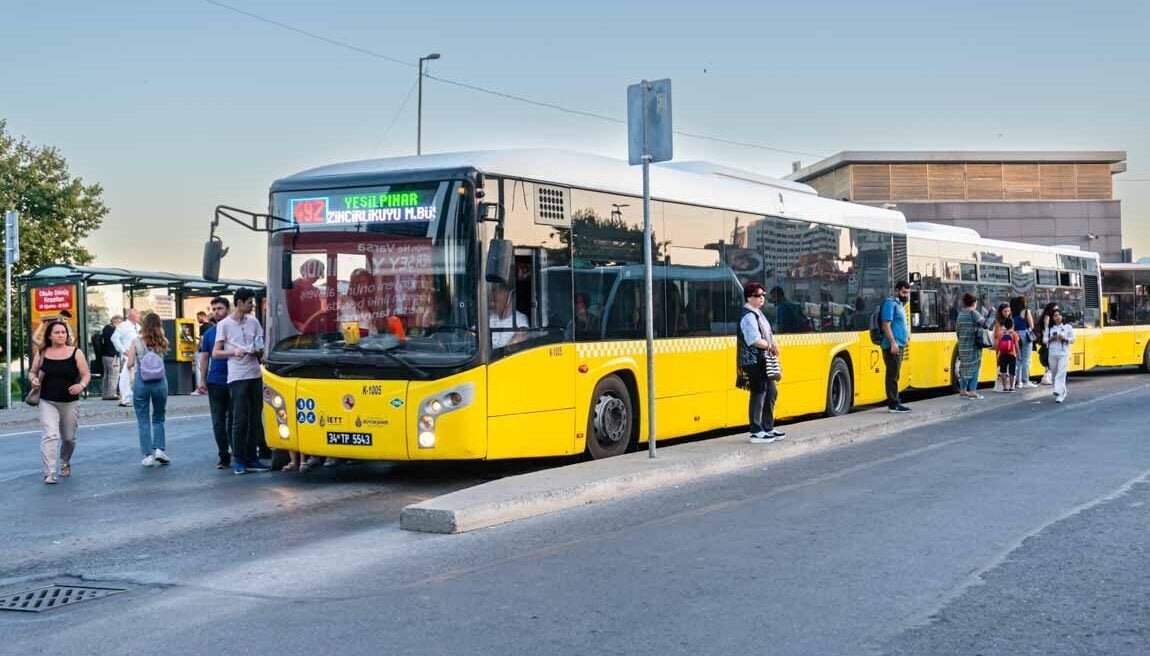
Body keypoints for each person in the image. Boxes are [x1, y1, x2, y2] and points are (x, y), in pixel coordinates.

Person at [213, 288, 271, 475]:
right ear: (239, 303)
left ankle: (252, 457)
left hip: (255, 373)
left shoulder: (254, 322)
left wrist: (258, 351)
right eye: (249, 302)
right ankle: (239, 459)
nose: (252, 306)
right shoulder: (225, 325)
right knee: (239, 418)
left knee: (255, 417)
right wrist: (233, 352)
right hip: (237, 376)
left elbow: (261, 344)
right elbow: (216, 353)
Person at [28, 320, 91, 485]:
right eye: (57, 332)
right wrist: (34, 380)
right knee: (50, 435)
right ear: (49, 335)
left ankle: (65, 461)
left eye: (63, 332)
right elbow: (33, 372)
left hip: (70, 402)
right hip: (47, 401)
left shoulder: (76, 352)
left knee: (69, 438)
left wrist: (81, 385)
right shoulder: (42, 352)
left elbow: (86, 374)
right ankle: (49, 472)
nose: (61, 335)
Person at [738, 282, 786, 443]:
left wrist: (772, 344)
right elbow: (753, 340)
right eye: (758, 296)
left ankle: (768, 427)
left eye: (763, 295)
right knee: (758, 392)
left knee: (771, 392)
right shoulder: (748, 315)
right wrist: (770, 346)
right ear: (749, 297)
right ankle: (756, 431)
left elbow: (767, 334)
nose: (762, 298)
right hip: (753, 360)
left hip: (762, 359)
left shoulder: (757, 313)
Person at [126, 313, 171, 467]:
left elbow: (129, 364)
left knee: (143, 420)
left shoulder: (136, 342)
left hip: (142, 382)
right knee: (159, 417)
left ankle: (148, 456)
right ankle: (159, 449)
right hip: (160, 382)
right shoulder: (162, 341)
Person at [198, 297, 232, 469]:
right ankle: (224, 455)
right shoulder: (209, 333)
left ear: (228, 309)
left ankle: (237, 451)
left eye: (220, 308)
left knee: (234, 419)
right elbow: (204, 358)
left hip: (236, 378)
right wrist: (202, 380)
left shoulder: (234, 328)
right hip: (216, 380)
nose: (216, 312)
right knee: (219, 421)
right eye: (214, 309)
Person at [880, 281, 912, 413]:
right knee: (892, 375)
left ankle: (895, 402)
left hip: (899, 345)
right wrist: (893, 342)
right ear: (897, 291)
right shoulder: (890, 303)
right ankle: (893, 404)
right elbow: (886, 324)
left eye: (908, 293)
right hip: (892, 346)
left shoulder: (899, 305)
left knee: (895, 374)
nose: (906, 295)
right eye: (904, 292)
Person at [954, 293, 985, 400]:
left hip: (962, 345)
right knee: (975, 367)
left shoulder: (961, 314)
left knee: (964, 367)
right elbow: (985, 324)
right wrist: (990, 314)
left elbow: (957, 330)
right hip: (973, 346)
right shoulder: (974, 313)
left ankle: (963, 390)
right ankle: (972, 391)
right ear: (974, 303)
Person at [111, 309, 141, 406]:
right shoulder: (123, 326)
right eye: (137, 313)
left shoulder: (138, 327)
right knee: (126, 377)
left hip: (138, 355)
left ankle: (135, 397)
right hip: (128, 355)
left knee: (137, 377)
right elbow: (114, 338)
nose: (139, 315)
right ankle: (125, 399)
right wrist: (123, 350)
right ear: (130, 316)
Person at [1045, 309, 1075, 403]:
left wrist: (1065, 338)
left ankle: (1058, 392)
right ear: (1052, 318)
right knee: (1054, 374)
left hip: (1064, 353)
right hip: (1052, 353)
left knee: (1061, 373)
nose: (1057, 317)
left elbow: (1073, 339)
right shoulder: (1050, 328)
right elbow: (1044, 340)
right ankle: (1062, 391)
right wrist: (1051, 339)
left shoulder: (1067, 327)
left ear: (1062, 316)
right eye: (1055, 315)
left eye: (1058, 315)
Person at [489, 283, 528, 349]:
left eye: (496, 301)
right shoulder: (489, 317)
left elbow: (519, 338)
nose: (492, 304)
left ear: (508, 300)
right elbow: (472, 334)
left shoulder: (520, 319)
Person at [1010, 296, 1037, 388]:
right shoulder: (1026, 312)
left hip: (1015, 335)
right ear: (1023, 303)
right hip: (1025, 335)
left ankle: (1018, 381)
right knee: (1026, 358)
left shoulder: (1012, 313)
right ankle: (1026, 381)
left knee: (1018, 358)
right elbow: (1032, 325)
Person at [993, 303, 1019, 392]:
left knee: (1010, 369)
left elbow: (1013, 334)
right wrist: (996, 350)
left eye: (1008, 311)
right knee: (1002, 368)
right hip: (1001, 348)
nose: (1007, 313)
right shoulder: (998, 321)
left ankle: (1009, 386)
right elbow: (996, 336)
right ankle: (1002, 386)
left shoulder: (1011, 320)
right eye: (1005, 311)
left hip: (1010, 348)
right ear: (1001, 312)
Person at [1036, 302, 1060, 385]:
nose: (1056, 311)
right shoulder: (1047, 318)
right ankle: (1047, 377)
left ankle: (1048, 377)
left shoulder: (1049, 317)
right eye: (1055, 309)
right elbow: (1046, 330)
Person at [99, 316, 123, 400]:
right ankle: (111, 394)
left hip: (105, 355)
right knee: (114, 375)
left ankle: (105, 393)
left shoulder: (106, 329)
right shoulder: (113, 330)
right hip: (113, 355)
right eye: (120, 321)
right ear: (115, 321)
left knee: (106, 375)